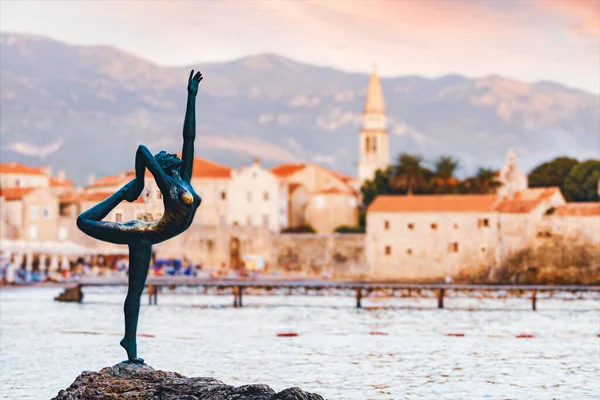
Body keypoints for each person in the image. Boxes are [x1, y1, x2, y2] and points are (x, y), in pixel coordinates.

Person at [76, 70, 203, 364]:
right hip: (140, 233)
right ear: (164, 164)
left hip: (148, 235)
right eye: (168, 154)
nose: (175, 153)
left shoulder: (184, 178)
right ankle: (121, 192)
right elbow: (143, 150)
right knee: (84, 222)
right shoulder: (167, 182)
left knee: (135, 291)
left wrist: (191, 96)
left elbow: (190, 136)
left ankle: (129, 345)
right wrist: (138, 182)